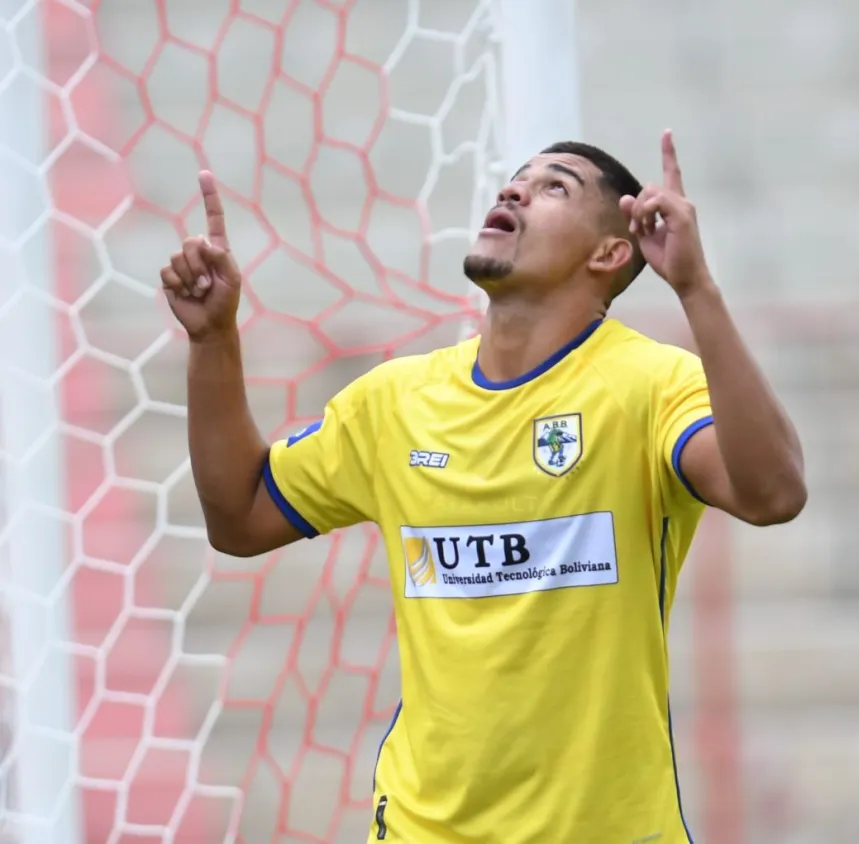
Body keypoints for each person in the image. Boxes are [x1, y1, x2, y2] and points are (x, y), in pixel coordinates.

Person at [160, 129, 806, 844]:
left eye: (554, 186)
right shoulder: (395, 401)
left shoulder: (651, 385)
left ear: (608, 253)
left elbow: (773, 495)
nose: (514, 189)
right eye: (517, 179)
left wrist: (696, 289)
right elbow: (241, 517)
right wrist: (212, 340)